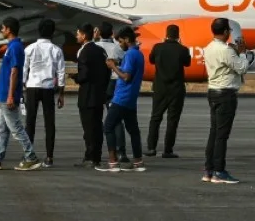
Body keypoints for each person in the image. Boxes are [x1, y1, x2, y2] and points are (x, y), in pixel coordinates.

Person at [0, 17, 42, 171]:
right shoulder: (11, 46)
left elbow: (15, 71)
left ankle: (31, 157)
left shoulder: (15, 47)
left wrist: (10, 95)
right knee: (3, 130)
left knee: (16, 129)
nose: (1, 31)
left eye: (3, 28)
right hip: (4, 95)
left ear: (9, 29)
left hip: (7, 95)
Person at [203, 17, 252, 184]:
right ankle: (219, 171)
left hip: (213, 91)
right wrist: (243, 52)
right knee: (222, 135)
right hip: (226, 93)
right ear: (225, 32)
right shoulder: (226, 50)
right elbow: (242, 67)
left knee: (214, 132)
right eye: (229, 31)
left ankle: (209, 170)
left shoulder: (208, 48)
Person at [100, 26, 146, 173]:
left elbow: (126, 76)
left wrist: (113, 66)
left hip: (122, 97)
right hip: (131, 98)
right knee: (133, 130)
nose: (120, 45)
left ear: (127, 39)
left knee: (108, 126)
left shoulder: (130, 55)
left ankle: (113, 161)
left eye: (121, 41)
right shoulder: (138, 54)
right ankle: (138, 160)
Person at [23, 18, 65, 167]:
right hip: (48, 88)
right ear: (53, 33)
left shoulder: (29, 48)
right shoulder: (56, 50)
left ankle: (28, 155)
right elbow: (61, 73)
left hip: (32, 87)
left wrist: (23, 88)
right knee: (50, 123)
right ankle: (49, 156)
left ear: (38, 31)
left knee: (30, 122)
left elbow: (24, 70)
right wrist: (61, 93)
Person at [147, 24, 190, 159]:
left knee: (155, 118)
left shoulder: (158, 47)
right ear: (178, 36)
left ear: (166, 34)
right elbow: (187, 63)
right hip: (176, 88)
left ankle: (151, 148)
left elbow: (151, 60)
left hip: (160, 87)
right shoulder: (182, 49)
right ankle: (168, 150)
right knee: (172, 120)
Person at [72, 23, 109, 169]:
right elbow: (106, 72)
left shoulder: (84, 52)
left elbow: (84, 74)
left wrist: (76, 78)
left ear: (84, 35)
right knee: (97, 126)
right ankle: (97, 157)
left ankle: (89, 156)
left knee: (88, 129)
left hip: (87, 95)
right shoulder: (101, 50)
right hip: (99, 94)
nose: (76, 36)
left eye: (78, 33)